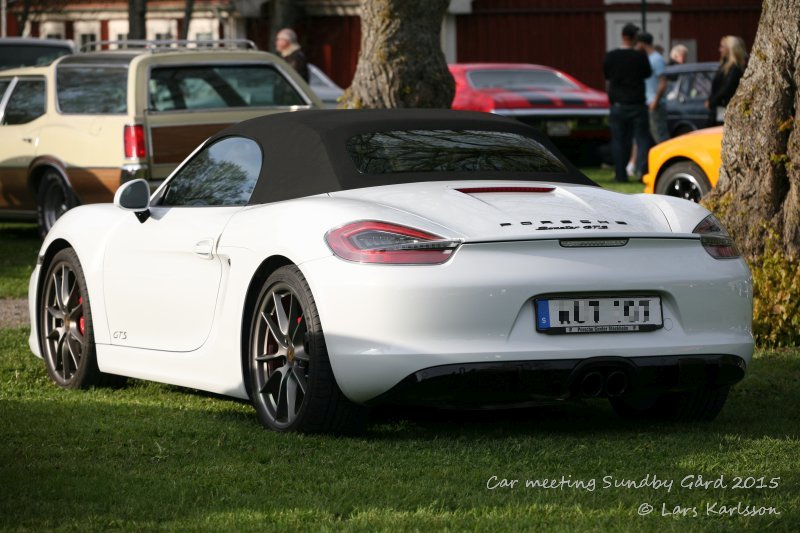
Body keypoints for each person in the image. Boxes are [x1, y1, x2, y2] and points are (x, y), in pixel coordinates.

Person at [603, 23, 652, 182]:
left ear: (623, 36)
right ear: (634, 38)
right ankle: (641, 174)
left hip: (618, 104)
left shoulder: (611, 56)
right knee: (642, 139)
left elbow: (607, 76)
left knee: (618, 140)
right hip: (637, 104)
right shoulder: (640, 56)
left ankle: (620, 174)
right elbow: (647, 74)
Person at [705, 35, 747, 126]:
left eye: (722, 47)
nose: (720, 49)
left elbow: (726, 88)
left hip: (725, 109)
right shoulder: (725, 66)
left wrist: (712, 101)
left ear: (730, 49)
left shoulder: (734, 68)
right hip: (719, 109)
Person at [636, 32, 669, 144]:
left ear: (642, 44)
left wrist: (655, 101)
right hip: (647, 103)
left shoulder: (656, 59)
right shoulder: (646, 58)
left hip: (655, 104)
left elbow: (663, 82)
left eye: (637, 43)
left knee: (660, 136)